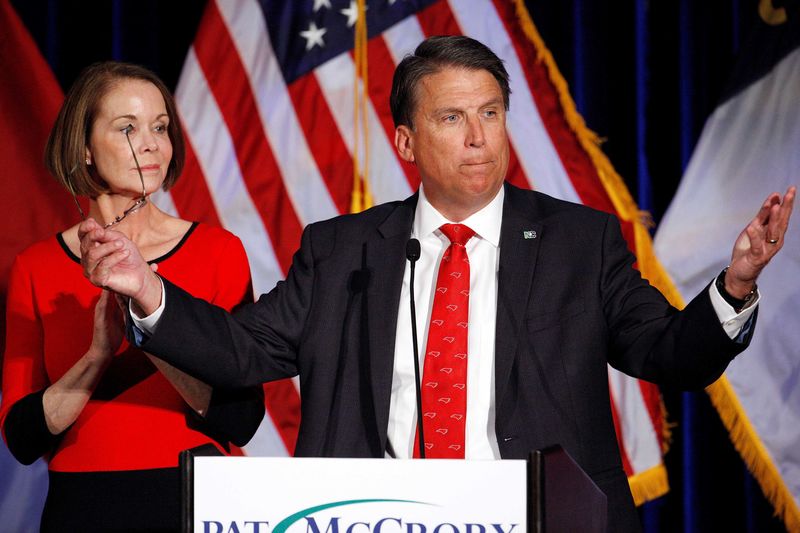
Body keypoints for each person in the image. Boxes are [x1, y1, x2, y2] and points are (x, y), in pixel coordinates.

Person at [79, 37, 795, 532]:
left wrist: (732, 288)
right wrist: (148, 289)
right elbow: (241, 351)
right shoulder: (341, 250)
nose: (479, 136)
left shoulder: (582, 242)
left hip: (540, 517)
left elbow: (671, 353)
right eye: (452, 118)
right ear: (405, 141)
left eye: (490, 113)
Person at [0, 61, 265, 532]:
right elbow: (21, 437)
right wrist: (98, 355)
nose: (151, 143)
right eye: (128, 128)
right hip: (82, 505)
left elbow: (241, 417)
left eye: (160, 127)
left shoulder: (219, 251)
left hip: (196, 497)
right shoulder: (35, 267)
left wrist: (150, 314)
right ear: (83, 148)